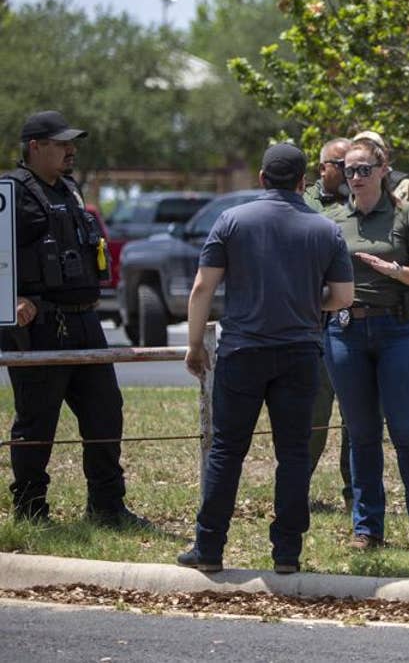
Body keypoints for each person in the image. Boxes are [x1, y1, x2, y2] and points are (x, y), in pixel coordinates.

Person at [177, 143, 354, 574]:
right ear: (302, 183)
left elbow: (203, 288)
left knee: (226, 450)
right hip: (299, 352)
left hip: (242, 350)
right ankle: (287, 552)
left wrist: (195, 343)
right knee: (293, 453)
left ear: (260, 178)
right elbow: (344, 297)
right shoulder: (325, 229)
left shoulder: (232, 221)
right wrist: (309, 305)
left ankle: (210, 547)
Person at [0, 110, 149, 529]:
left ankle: (107, 508)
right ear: (34, 147)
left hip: (85, 322)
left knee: (106, 412)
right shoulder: (11, 192)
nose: (72, 150)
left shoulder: (68, 188)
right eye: (62, 143)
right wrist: (11, 299)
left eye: (72, 143)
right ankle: (31, 511)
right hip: (40, 327)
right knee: (37, 421)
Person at [323, 137, 409, 554]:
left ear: (382, 168)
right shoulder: (334, 220)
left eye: (363, 169)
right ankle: (367, 527)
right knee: (361, 434)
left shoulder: (408, 216)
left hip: (399, 330)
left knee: (408, 433)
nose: (355, 177)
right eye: (348, 169)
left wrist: (394, 270)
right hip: (346, 331)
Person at [303, 137, 355, 509]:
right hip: (319, 322)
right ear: (324, 168)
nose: (352, 171)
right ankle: (296, 489)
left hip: (357, 323)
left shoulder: (365, 200)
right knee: (314, 414)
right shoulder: (307, 203)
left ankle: (357, 493)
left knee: (357, 417)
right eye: (343, 163)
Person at [350, 130, 409, 224]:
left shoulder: (408, 189)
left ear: (385, 155)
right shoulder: (350, 191)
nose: (365, 156)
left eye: (372, 151)